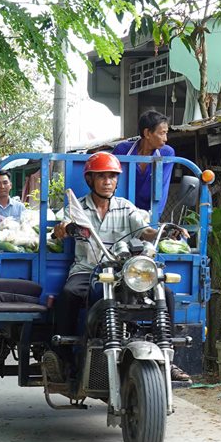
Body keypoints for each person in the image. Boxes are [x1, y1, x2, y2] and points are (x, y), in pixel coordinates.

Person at [48, 152, 190, 382]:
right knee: (69, 294)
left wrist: (166, 231)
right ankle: (63, 357)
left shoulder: (125, 207)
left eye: (112, 177)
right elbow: (61, 227)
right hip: (88, 269)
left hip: (124, 272)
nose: (107, 182)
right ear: (90, 180)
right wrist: (64, 228)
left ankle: (168, 358)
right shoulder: (78, 208)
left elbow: (145, 230)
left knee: (166, 295)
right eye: (101, 176)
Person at [112, 109, 176, 217]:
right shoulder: (122, 151)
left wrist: (153, 218)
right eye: (162, 133)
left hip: (146, 216)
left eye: (166, 133)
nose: (165, 139)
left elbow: (162, 189)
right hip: (119, 214)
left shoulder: (166, 153)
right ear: (147, 133)